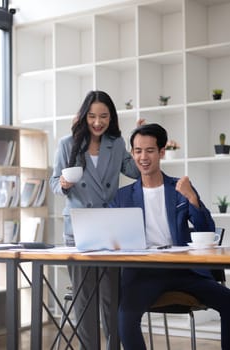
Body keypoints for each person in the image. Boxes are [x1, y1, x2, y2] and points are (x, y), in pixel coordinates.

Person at [110, 123, 230, 350]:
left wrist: (192, 198)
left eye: (150, 150)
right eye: (138, 151)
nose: (143, 157)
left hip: (184, 270)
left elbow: (207, 229)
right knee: (125, 317)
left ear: (162, 151)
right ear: (132, 153)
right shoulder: (122, 197)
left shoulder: (180, 187)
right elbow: (114, 239)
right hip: (144, 274)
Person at [49, 90, 140, 350]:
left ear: (111, 117)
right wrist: (64, 183)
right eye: (92, 116)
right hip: (78, 228)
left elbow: (134, 171)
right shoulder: (68, 143)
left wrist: (136, 141)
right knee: (85, 298)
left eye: (103, 116)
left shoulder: (117, 143)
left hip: (109, 228)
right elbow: (55, 183)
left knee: (113, 298)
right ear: (84, 116)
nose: (97, 122)